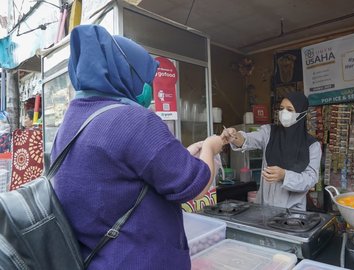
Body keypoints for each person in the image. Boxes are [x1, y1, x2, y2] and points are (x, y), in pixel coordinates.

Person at [51, 24, 223, 270]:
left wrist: (183, 156)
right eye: (146, 78)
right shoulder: (134, 119)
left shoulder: (71, 121)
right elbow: (195, 186)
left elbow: (119, 179)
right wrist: (210, 147)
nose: (150, 90)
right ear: (125, 73)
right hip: (138, 260)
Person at [221, 92, 322, 211]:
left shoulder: (312, 145)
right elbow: (249, 139)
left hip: (292, 213)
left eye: (290, 109)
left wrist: (284, 175)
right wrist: (234, 136)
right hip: (263, 208)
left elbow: (310, 179)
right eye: (281, 108)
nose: (284, 112)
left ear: (301, 114)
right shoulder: (269, 132)